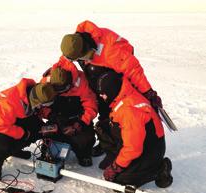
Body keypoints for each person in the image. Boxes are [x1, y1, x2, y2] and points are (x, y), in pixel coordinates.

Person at [60, 20, 163, 156]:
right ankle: (106, 144)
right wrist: (57, 71)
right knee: (103, 111)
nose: (84, 60)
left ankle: (124, 146)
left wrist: (148, 91)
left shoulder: (110, 49)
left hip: (113, 81)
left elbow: (133, 70)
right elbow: (65, 61)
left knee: (117, 114)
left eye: (86, 56)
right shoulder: (74, 43)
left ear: (88, 47)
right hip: (96, 78)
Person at [94, 71, 172, 188]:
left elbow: (133, 148)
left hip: (150, 150)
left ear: (112, 91)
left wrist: (116, 167)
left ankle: (159, 169)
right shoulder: (123, 94)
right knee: (103, 128)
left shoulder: (130, 111)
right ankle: (116, 158)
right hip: (139, 141)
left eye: (103, 94)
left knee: (120, 181)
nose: (101, 96)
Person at [0, 79, 56, 181]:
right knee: (0, 143)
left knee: (37, 129)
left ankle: (14, 150)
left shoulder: (33, 94)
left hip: (10, 122)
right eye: (44, 104)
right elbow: (1, 127)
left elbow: (39, 113)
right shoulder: (8, 104)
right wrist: (24, 134)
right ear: (37, 102)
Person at [40, 56, 98, 166]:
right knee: (48, 137)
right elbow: (42, 105)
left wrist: (79, 124)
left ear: (69, 84)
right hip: (57, 117)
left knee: (85, 140)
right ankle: (51, 152)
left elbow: (91, 106)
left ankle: (84, 153)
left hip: (77, 118)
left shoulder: (82, 81)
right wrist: (53, 117)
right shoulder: (45, 81)